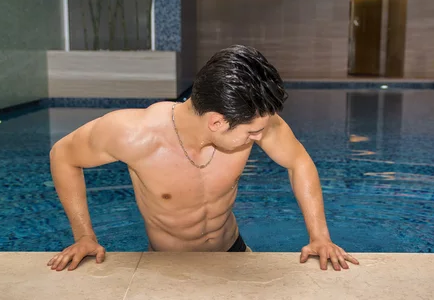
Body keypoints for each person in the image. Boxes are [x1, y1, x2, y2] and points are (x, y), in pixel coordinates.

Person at [47, 45, 359, 272]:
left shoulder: (257, 122)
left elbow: (298, 162)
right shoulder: (134, 135)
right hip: (167, 265)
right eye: (252, 133)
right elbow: (63, 155)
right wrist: (84, 237)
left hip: (233, 250)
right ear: (216, 122)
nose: (260, 137)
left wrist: (320, 237)